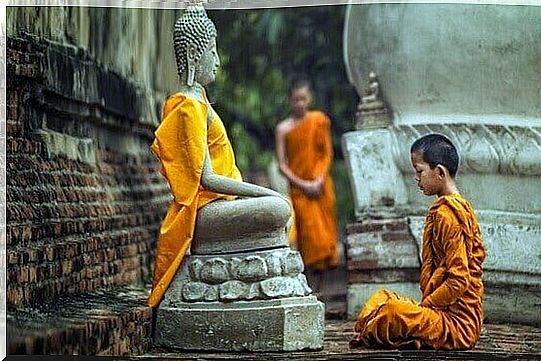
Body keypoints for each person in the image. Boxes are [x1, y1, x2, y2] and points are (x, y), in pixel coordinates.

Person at [147, 5, 289, 308]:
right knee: (276, 207)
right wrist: (263, 191)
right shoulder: (187, 106)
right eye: (213, 52)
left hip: (219, 205)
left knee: (277, 208)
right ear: (194, 57)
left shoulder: (200, 103)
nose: (218, 62)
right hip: (204, 208)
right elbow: (207, 179)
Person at [349, 133, 486, 350]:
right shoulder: (455, 207)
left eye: (419, 171)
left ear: (440, 172)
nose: (416, 178)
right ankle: (381, 323)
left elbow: (458, 281)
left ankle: (378, 324)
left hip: (457, 325)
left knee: (392, 311)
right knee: (381, 297)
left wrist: (426, 306)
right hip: (438, 313)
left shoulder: (448, 214)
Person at [274, 76, 339, 295]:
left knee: (323, 236)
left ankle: (321, 288)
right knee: (307, 236)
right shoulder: (283, 129)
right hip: (299, 189)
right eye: (296, 100)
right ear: (289, 100)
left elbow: (326, 153)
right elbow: (282, 165)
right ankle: (308, 286)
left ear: (309, 98)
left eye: (303, 99)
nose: (300, 103)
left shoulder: (319, 120)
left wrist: (318, 180)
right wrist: (303, 184)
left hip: (320, 186)